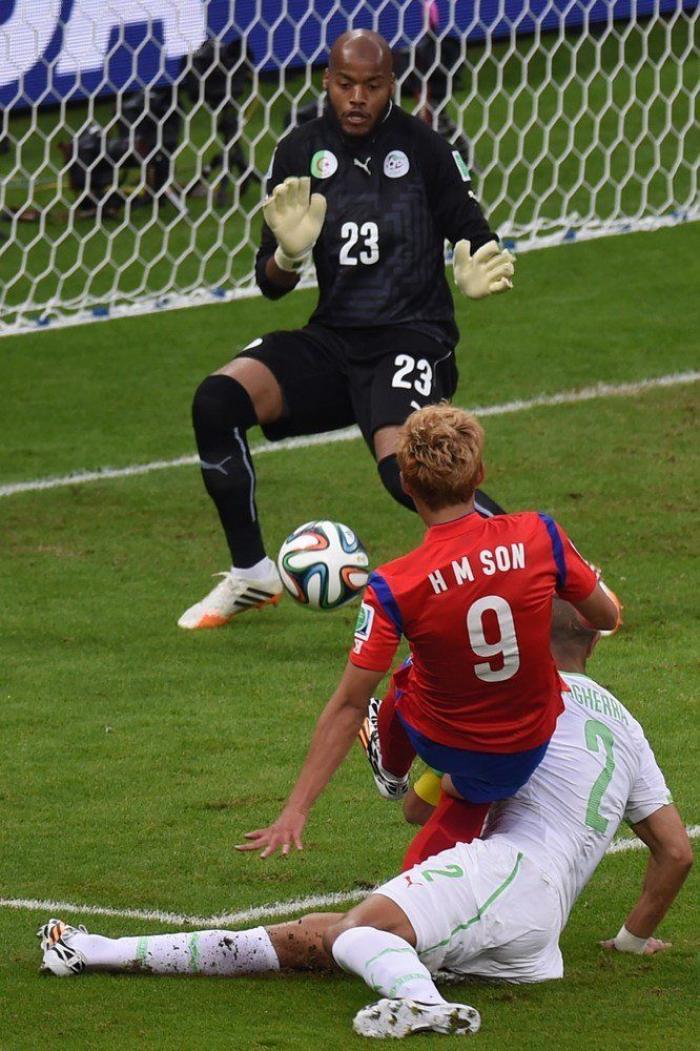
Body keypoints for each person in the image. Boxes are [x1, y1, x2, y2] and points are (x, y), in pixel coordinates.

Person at [37, 601, 692, 1040]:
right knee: (316, 937)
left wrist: (395, 763)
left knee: (357, 935)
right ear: (591, 644)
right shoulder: (626, 727)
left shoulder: (517, 701)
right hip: (531, 926)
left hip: (507, 872)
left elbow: (418, 804)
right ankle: (92, 950)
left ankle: (427, 1007)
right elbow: (674, 851)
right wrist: (632, 940)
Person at [178, 28, 515, 630]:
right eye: (344, 84)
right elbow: (269, 282)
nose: (356, 98)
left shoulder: (426, 148)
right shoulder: (299, 151)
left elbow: (470, 224)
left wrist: (475, 259)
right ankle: (253, 574)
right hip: (336, 337)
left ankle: (538, 565)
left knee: (404, 472)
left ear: (392, 87)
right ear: (326, 83)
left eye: (371, 85)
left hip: (415, 336)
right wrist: (286, 255)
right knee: (217, 400)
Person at [236, 404, 619, 859]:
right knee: (435, 847)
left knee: (411, 669)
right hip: (528, 742)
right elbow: (606, 617)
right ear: (480, 474)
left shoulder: (396, 585)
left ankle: (391, 767)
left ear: (406, 484)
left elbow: (350, 704)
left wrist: (296, 810)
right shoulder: (540, 534)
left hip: (445, 741)